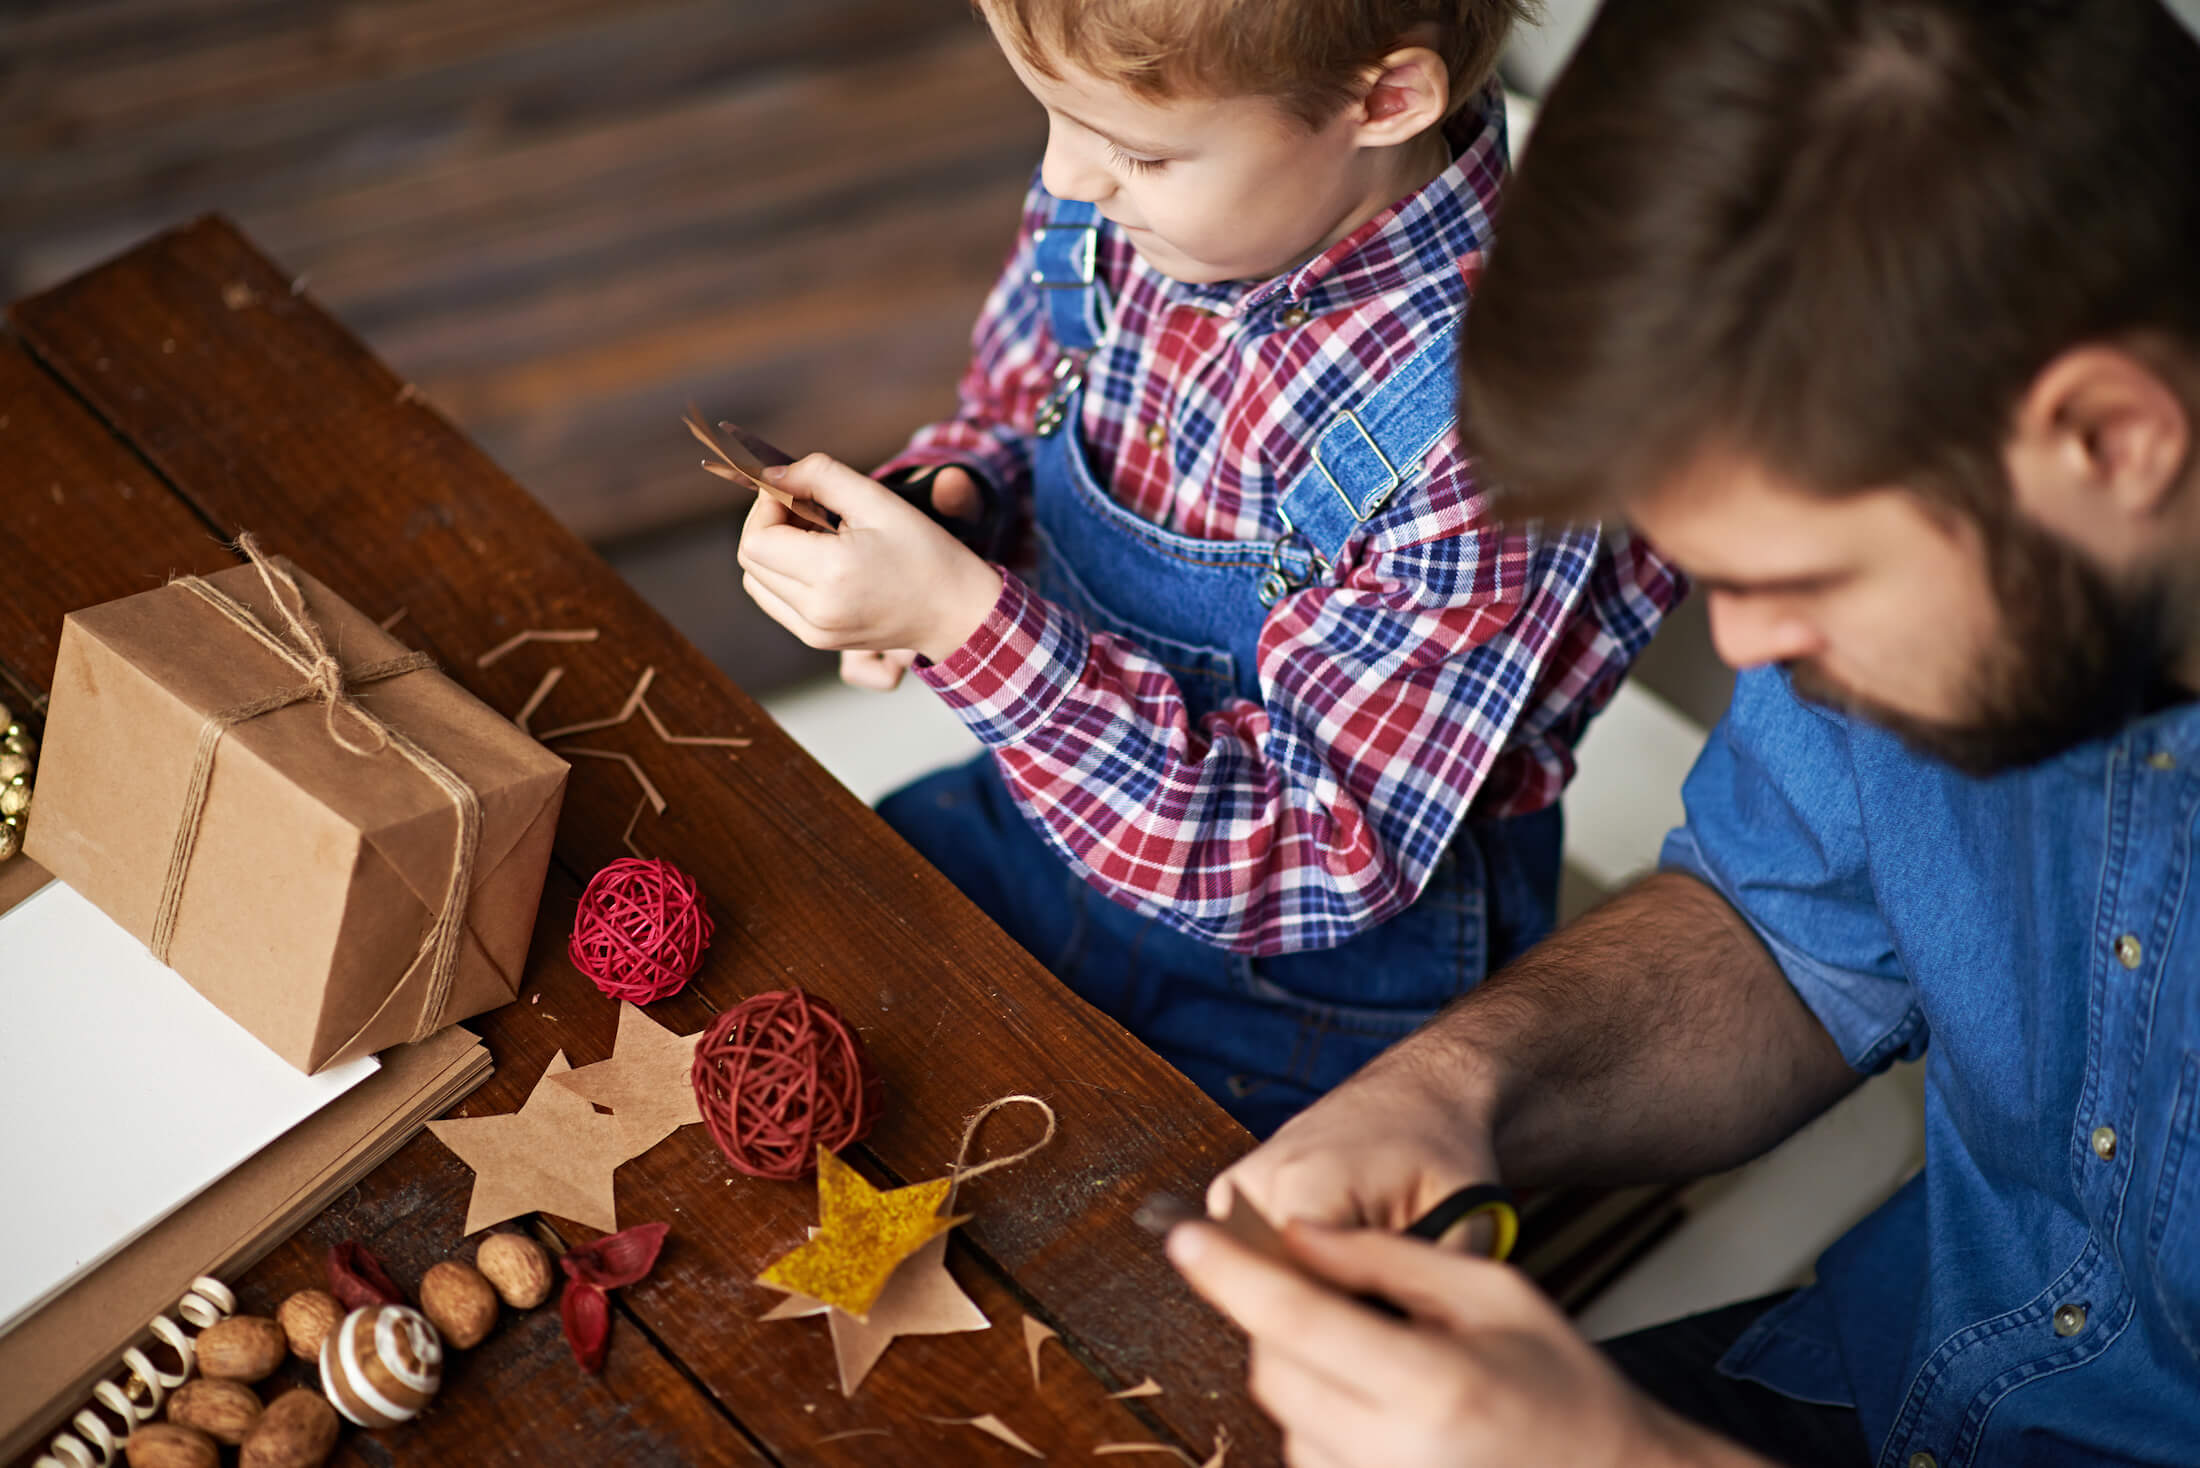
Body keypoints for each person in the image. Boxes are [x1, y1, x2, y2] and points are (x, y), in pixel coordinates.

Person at [1167, 0, 2200, 1463]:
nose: (1745, 647)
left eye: (1807, 579)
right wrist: (1450, 1095)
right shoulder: (1979, 542)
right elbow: (1779, 928)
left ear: (2111, 437)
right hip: (1865, 1385)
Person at [734, 0, 1680, 1136]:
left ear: (1383, 102)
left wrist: (963, 627)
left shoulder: (1498, 429)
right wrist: (944, 512)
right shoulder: (1137, 204)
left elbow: (1326, 848)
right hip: (1049, 831)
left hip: (1314, 1000)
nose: (1066, 177)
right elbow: (1014, 407)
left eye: (1135, 151)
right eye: (1048, 114)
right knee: (776, 944)